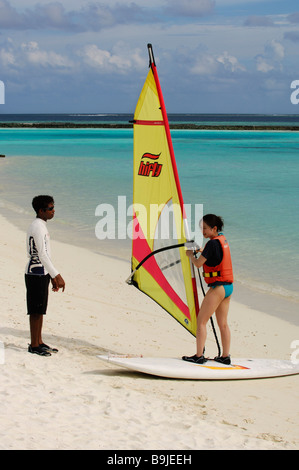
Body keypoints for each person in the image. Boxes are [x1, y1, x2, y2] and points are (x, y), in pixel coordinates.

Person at [183, 214, 233, 365]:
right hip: (228, 288)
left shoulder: (211, 244)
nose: (202, 231)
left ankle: (199, 356)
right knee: (223, 324)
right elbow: (211, 256)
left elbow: (198, 264)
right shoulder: (221, 240)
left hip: (218, 288)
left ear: (214, 228)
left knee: (201, 322)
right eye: (201, 228)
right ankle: (225, 356)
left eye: (205, 228)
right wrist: (197, 250)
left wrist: (191, 255)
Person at [25, 195, 65, 356]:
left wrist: (51, 276)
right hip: (35, 272)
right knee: (35, 310)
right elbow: (42, 254)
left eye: (53, 207)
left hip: (42, 272)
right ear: (41, 211)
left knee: (41, 309)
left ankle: (39, 341)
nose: (53, 211)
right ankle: (34, 345)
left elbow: (45, 255)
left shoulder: (40, 225)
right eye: (50, 208)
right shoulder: (38, 227)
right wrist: (57, 275)